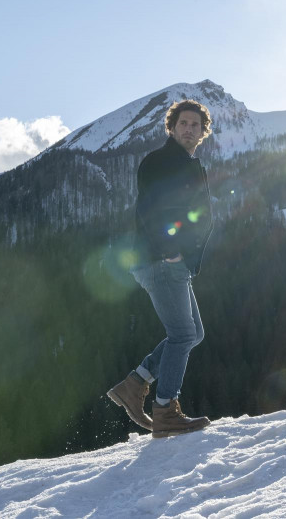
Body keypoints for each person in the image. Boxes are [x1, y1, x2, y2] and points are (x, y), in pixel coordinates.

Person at [107, 99, 215, 438]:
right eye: (183, 123)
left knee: (193, 334)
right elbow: (152, 209)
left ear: (202, 132)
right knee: (182, 335)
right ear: (171, 127)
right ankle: (166, 408)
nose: (188, 129)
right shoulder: (160, 162)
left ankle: (135, 383)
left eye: (195, 125)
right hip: (160, 260)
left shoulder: (190, 164)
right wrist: (171, 251)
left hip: (175, 263)